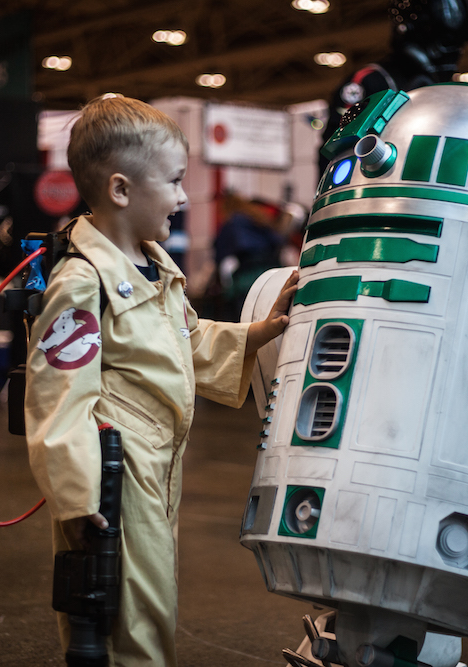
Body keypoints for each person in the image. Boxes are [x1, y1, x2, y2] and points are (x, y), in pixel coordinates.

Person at [24, 94, 298, 665]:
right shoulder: (81, 281)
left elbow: (187, 341)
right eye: (174, 181)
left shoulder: (156, 265)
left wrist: (258, 332)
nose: (181, 196)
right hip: (113, 477)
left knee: (152, 605)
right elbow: (57, 397)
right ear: (121, 190)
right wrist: (79, 499)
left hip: (158, 466)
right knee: (125, 622)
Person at [319, 0, 468, 172]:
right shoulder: (371, 80)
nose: (448, 55)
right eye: (442, 43)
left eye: (454, 45)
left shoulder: (444, 92)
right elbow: (337, 150)